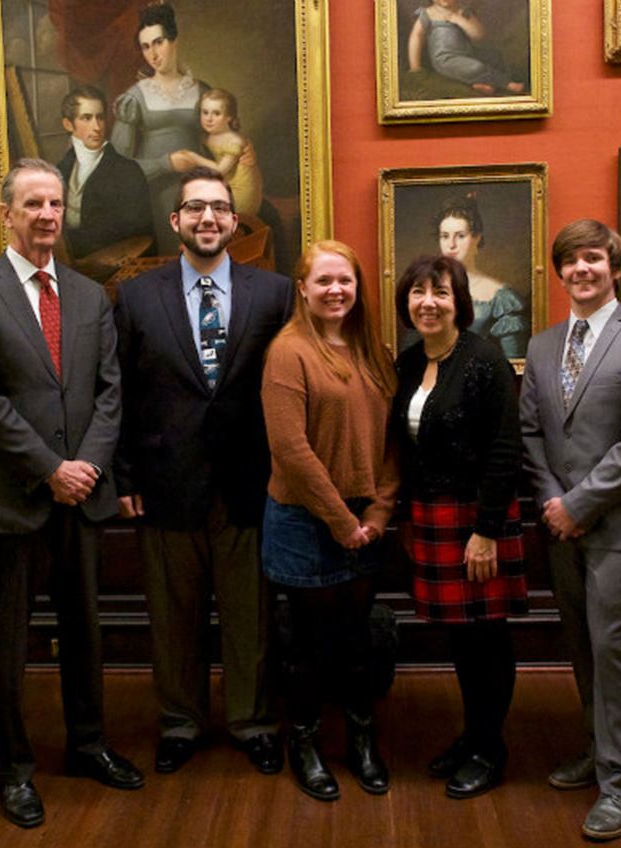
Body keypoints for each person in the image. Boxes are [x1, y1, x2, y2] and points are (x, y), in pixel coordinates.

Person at [0, 158, 142, 829]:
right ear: (6, 213)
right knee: (8, 642)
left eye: (55, 204)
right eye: (32, 204)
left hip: (83, 495)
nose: (46, 216)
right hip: (12, 496)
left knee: (85, 631)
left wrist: (84, 466)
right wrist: (48, 468)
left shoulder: (89, 295)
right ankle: (14, 769)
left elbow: (111, 394)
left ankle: (89, 745)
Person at [112, 166, 291, 776]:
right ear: (176, 221)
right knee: (173, 615)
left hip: (250, 483)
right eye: (195, 209)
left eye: (219, 208)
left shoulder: (275, 293)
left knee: (251, 616)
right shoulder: (137, 295)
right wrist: (125, 476)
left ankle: (254, 721)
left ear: (235, 221)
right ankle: (181, 721)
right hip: (165, 483)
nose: (208, 218)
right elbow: (121, 393)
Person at [520, 220, 621, 841]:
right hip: (561, 526)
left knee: (613, 650)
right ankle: (598, 749)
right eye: (570, 261)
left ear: (613, 267)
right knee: (581, 645)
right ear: (557, 272)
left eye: (593, 258)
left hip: (618, 526)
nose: (581, 269)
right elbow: (531, 434)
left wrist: (579, 503)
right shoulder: (541, 345)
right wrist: (552, 500)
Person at [260, 239, 398, 801]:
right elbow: (291, 449)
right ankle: (306, 743)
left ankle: (362, 741)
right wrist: (342, 522)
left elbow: (393, 441)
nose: (336, 290)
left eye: (345, 280)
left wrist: (381, 508)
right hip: (304, 522)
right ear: (302, 289)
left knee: (357, 640)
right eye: (323, 281)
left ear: (358, 287)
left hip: (368, 519)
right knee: (309, 646)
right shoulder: (287, 352)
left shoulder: (374, 349)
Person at [389, 255, 526, 801]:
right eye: (418, 292)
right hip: (429, 515)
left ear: (458, 302)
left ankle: (491, 749)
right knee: (461, 640)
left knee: (487, 636)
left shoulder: (484, 359)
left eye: (440, 292)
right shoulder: (406, 363)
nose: (428, 302)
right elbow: (403, 448)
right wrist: (403, 513)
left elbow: (504, 448)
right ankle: (472, 736)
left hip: (478, 518)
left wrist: (487, 529)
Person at [111, 3, 212, 256]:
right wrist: (167, 163)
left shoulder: (202, 91)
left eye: (159, 42)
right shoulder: (134, 99)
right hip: (154, 199)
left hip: (198, 193)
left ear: (174, 40)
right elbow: (117, 168)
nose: (153, 54)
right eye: (146, 47)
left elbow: (217, 147)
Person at [56, 85, 155, 263]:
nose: (96, 127)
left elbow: (142, 238)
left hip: (114, 269)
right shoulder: (59, 171)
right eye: (86, 118)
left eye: (100, 117)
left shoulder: (127, 171)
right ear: (68, 124)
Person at [434, 194, 529, 358]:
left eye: (460, 236)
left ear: (477, 239)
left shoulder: (499, 297)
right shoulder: (425, 290)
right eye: (445, 236)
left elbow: (515, 364)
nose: (451, 245)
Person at [407, 0, 525, 96]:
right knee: (475, 67)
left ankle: (480, 84)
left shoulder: (463, 12)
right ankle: (506, 83)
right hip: (445, 59)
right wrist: (415, 66)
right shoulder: (428, 14)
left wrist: (459, 20)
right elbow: (416, 38)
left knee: (494, 56)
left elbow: (479, 36)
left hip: (467, 54)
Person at [187, 88, 263, 217]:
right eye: (205, 112)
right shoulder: (208, 137)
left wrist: (193, 158)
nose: (209, 119)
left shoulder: (234, 141)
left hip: (241, 195)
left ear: (229, 117)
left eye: (216, 113)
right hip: (224, 187)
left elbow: (220, 171)